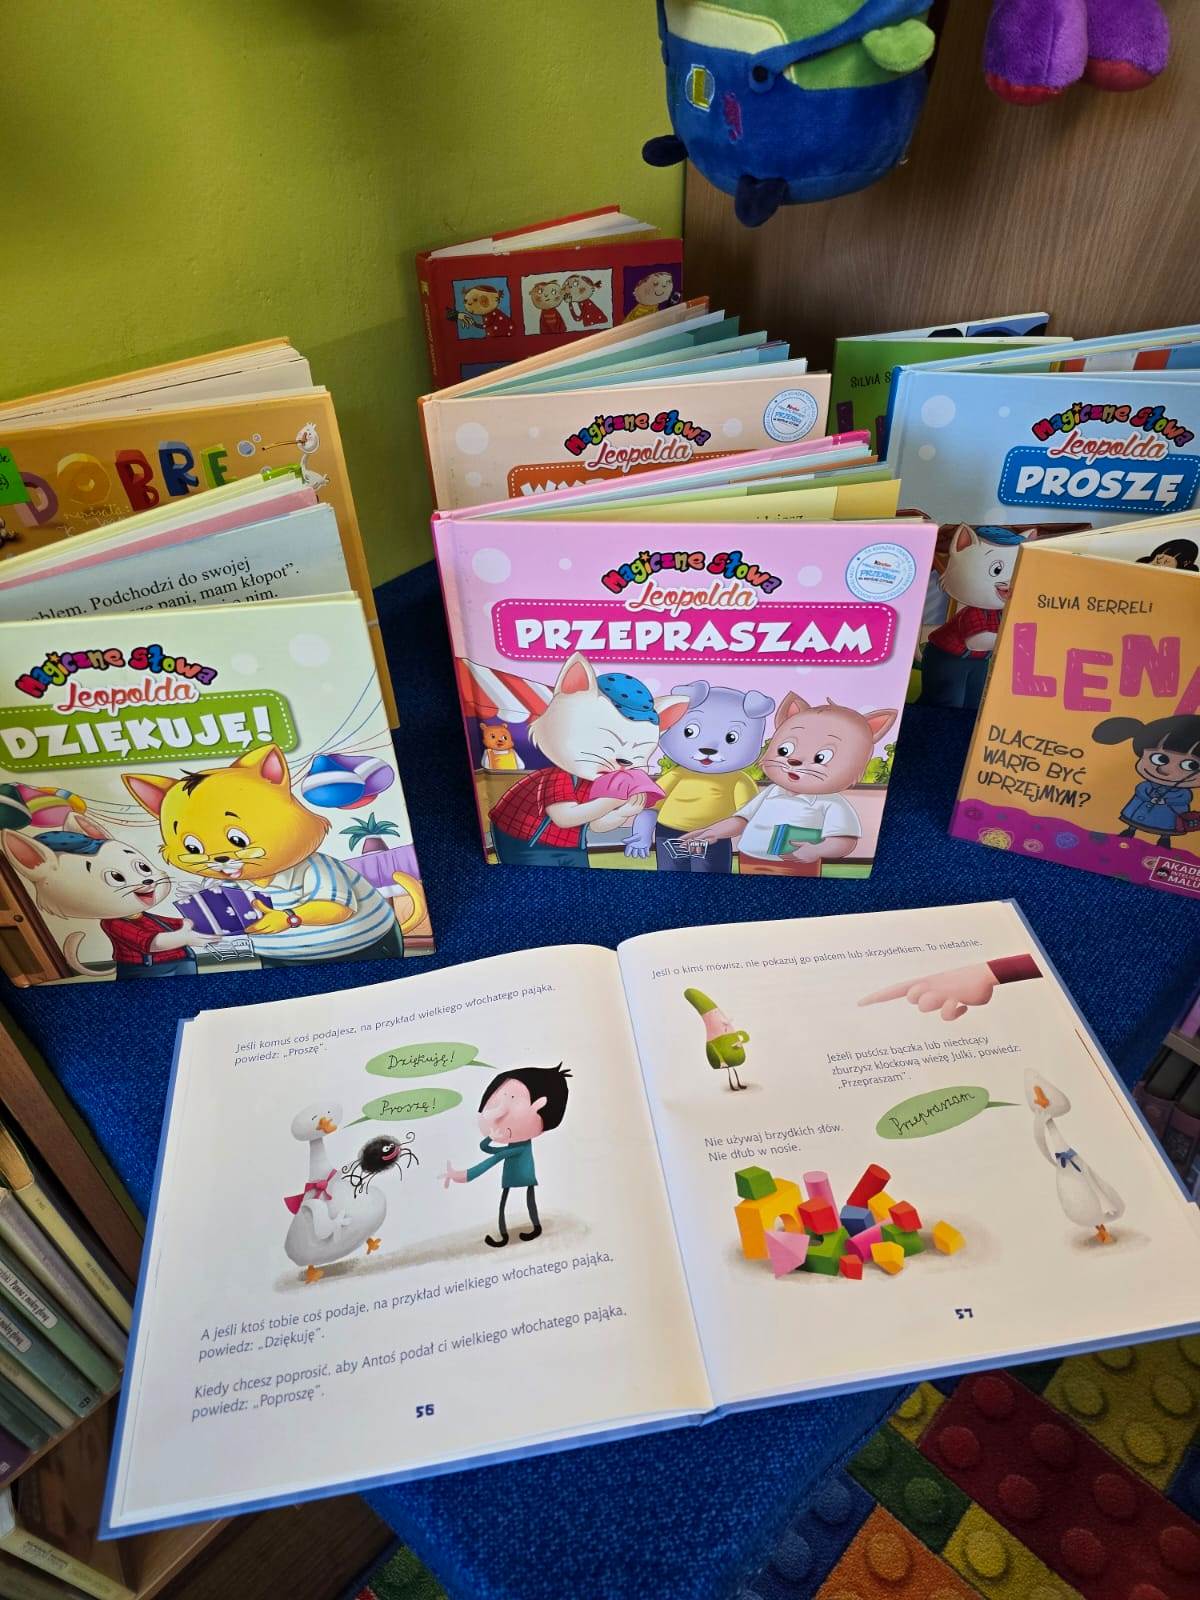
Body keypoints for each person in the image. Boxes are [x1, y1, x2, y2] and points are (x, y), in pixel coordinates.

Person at [442, 1065, 571, 1247]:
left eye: (512, 1100)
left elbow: (495, 1157)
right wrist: (490, 1138)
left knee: (527, 1201)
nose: (499, 1113)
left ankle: (534, 1228)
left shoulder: (521, 1147)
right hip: (510, 1177)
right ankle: (505, 1235)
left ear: (538, 1105)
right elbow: (487, 1149)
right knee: (505, 1204)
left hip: (524, 1176)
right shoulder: (513, 1144)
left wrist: (465, 1175)